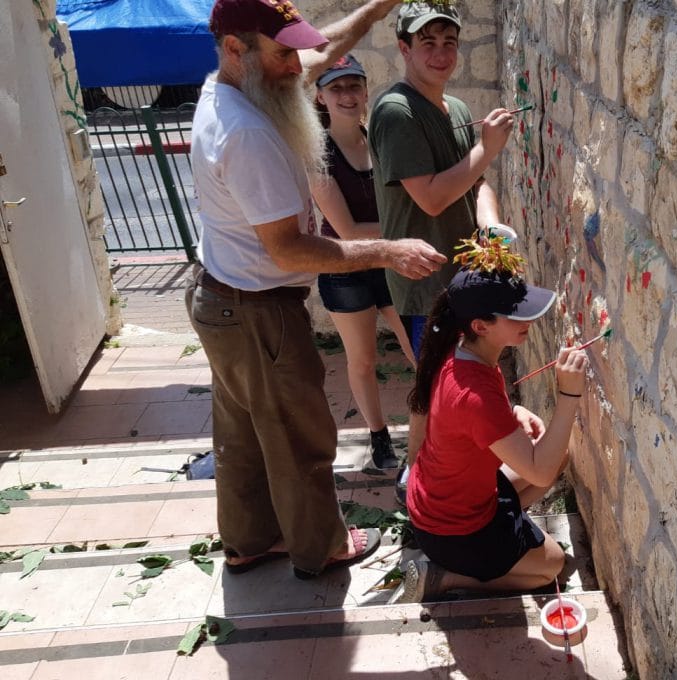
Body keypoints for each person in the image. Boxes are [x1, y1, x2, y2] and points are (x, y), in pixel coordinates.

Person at [188, 0, 446, 580]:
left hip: (223, 302)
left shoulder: (238, 86)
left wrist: (378, 8)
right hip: (257, 312)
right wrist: (390, 250)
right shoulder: (246, 133)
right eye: (283, 54)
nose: (296, 65)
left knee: (245, 437)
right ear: (236, 50)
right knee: (298, 436)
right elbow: (290, 249)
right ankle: (322, 547)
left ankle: (250, 541)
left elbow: (322, 44)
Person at [370, 0, 517, 501]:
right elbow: (431, 194)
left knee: (459, 378)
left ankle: (442, 473)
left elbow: (475, 183)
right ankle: (422, 483)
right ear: (403, 48)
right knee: (435, 387)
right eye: (426, 43)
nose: (440, 53)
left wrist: (491, 223)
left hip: (461, 277)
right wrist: (488, 148)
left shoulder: (453, 109)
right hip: (425, 285)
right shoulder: (396, 112)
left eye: (448, 42)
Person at [390, 244, 589, 603]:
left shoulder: (459, 346)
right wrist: (569, 396)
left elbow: (458, 418)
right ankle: (445, 577)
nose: (528, 320)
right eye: (516, 314)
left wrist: (511, 415)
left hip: (447, 498)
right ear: (481, 325)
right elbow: (540, 474)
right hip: (451, 529)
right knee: (553, 565)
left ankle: (505, 545)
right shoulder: (473, 394)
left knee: (555, 455)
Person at [312, 54, 416, 471]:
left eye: (354, 85)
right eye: (336, 88)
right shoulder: (317, 155)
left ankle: (435, 426)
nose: (347, 95)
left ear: (366, 91)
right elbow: (349, 231)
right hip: (346, 269)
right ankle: (378, 436)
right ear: (320, 97)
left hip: (391, 264)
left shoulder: (378, 138)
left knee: (418, 350)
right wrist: (405, 234)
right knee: (364, 360)